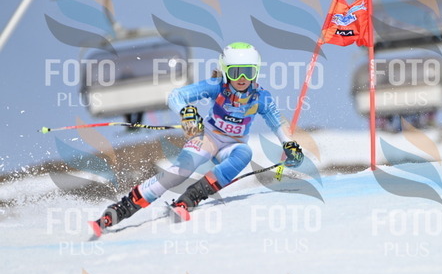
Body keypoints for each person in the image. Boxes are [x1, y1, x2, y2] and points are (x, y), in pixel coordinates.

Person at [90, 42, 304, 231]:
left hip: (233, 145)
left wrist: (290, 145)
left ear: (256, 72)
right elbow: (176, 95)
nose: (242, 78)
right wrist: (185, 111)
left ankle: (190, 198)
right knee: (181, 171)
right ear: (226, 71)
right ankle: (123, 208)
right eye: (236, 71)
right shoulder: (216, 86)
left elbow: (277, 122)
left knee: (244, 153)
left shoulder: (261, 97)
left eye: (248, 72)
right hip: (208, 138)